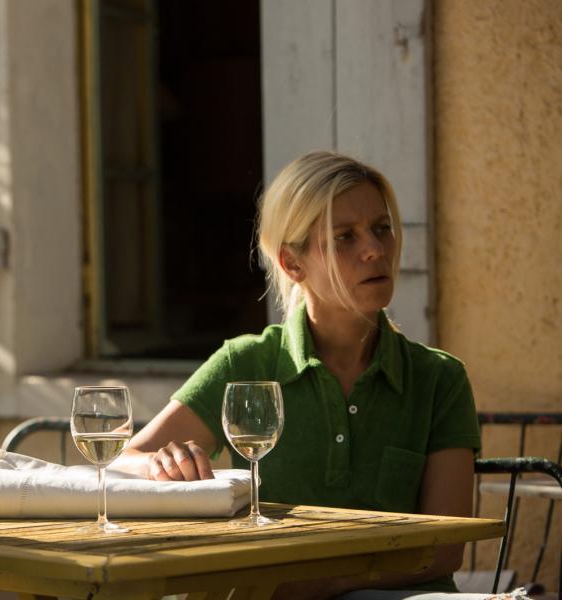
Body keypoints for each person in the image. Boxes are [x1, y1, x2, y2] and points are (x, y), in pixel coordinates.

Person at [115, 151, 482, 599]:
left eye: (382, 228)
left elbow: (444, 549)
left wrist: (323, 583)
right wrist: (159, 464)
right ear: (292, 263)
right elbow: (123, 461)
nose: (375, 249)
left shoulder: (439, 379)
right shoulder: (245, 364)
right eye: (345, 237)